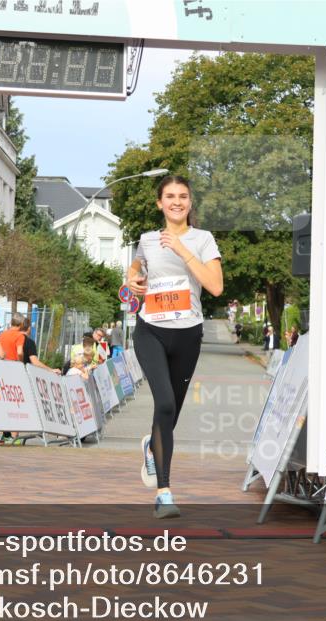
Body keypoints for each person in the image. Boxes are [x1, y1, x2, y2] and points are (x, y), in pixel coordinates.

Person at [127, 175, 223, 519]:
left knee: (171, 416)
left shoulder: (204, 239)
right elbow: (136, 266)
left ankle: (151, 447)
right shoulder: (148, 240)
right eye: (170, 196)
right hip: (150, 330)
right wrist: (131, 277)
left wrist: (182, 249)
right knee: (164, 403)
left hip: (187, 334)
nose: (177, 201)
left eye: (183, 196)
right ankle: (164, 493)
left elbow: (215, 286)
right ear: (160, 203)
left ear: (190, 203)